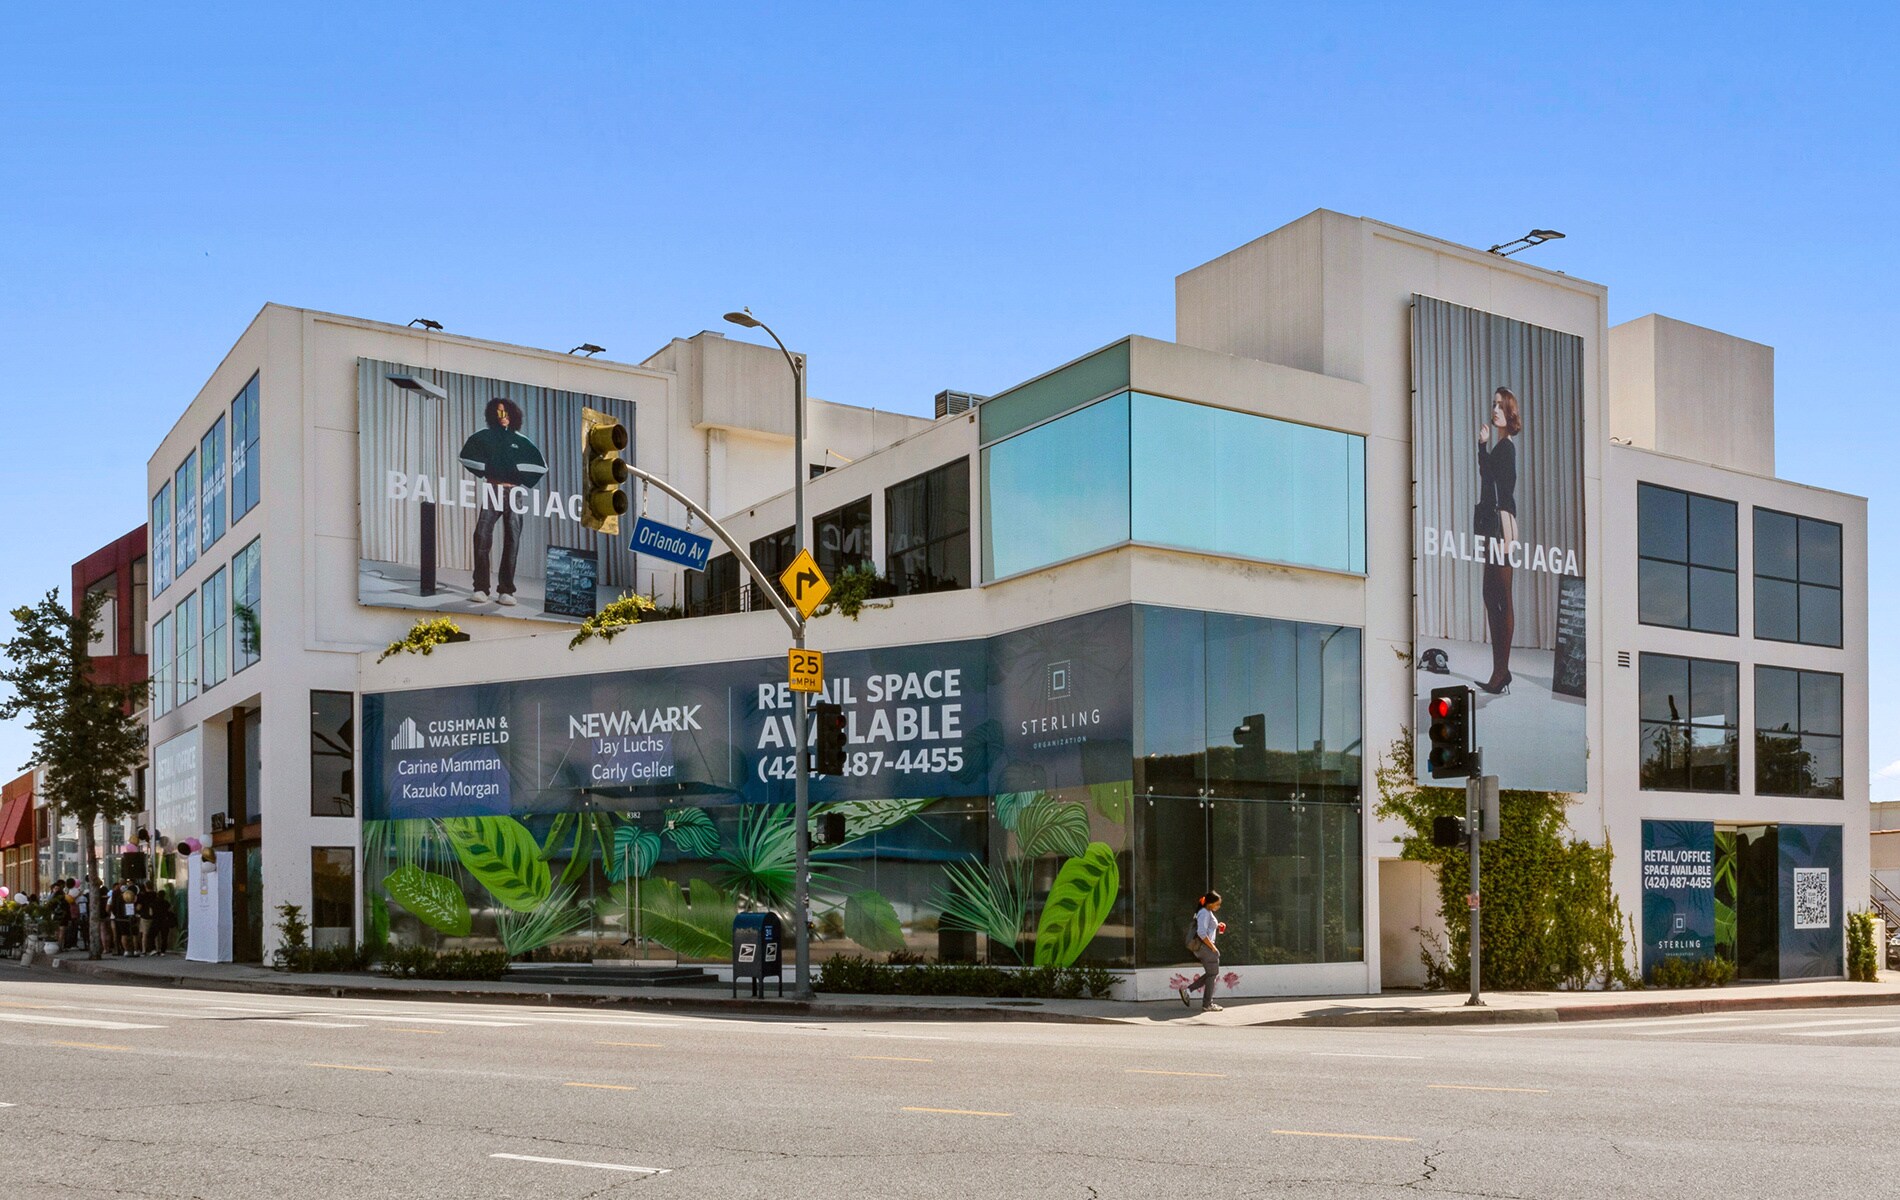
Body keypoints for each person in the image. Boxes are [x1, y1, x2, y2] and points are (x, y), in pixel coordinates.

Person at [457, 397, 548, 607]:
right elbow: (465, 456)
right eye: (498, 412)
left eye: (506, 412)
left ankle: (506, 591)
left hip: (514, 493)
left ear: (513, 415)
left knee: (512, 540)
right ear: (492, 415)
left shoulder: (522, 441)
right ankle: (480, 588)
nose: (503, 417)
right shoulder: (485, 437)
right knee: (481, 536)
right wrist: (485, 470)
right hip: (492, 490)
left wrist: (519, 476)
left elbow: (541, 466)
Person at [1475, 386, 1521, 695]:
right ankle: (1499, 671)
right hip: (1495, 523)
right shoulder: (1499, 448)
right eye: (1493, 404)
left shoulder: (1507, 449)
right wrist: (1482, 446)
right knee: (1491, 596)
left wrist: (1484, 446)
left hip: (1502, 524)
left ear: (1509, 413)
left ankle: (1501, 672)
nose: (1494, 410)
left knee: (1501, 597)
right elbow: (1487, 475)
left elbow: (1501, 486)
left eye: (1499, 406)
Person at [1179, 890, 1225, 1013]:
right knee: (1212, 974)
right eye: (1217, 904)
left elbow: (1206, 928)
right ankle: (1207, 1004)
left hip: (1204, 948)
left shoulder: (1206, 912)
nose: (1218, 906)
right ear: (1210, 903)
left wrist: (1217, 925)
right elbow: (1201, 932)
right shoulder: (1204, 912)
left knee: (1211, 974)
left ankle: (1188, 991)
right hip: (1206, 948)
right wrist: (1213, 948)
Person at [87, 877, 113, 959]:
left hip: (99, 913)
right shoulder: (105, 891)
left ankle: (105, 948)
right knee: (107, 930)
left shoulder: (95, 893)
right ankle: (108, 947)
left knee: (102, 931)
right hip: (106, 913)